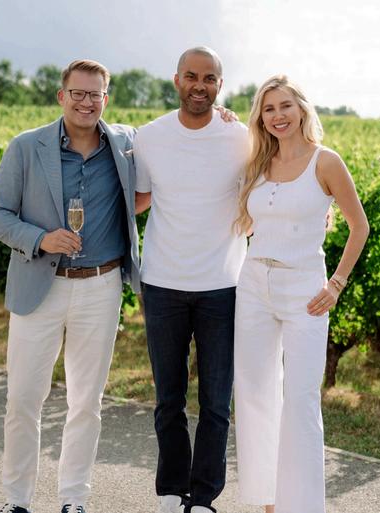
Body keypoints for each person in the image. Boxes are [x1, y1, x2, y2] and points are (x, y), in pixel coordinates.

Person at [0, 59, 141, 513]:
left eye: (95, 94)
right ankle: (17, 501)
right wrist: (40, 239)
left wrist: (222, 115)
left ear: (106, 98)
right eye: (78, 93)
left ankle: (74, 500)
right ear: (61, 96)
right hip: (41, 285)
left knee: (86, 402)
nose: (86, 102)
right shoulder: (26, 146)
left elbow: (180, 135)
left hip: (101, 287)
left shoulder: (126, 144)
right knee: (23, 399)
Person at [233, 75, 369, 513]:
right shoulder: (258, 162)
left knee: (301, 399)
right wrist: (224, 120)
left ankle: (303, 507)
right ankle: (267, 501)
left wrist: (336, 284)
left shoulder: (325, 162)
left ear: (302, 109)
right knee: (254, 392)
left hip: (305, 290)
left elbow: (360, 227)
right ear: (261, 117)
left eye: (285, 106)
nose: (278, 116)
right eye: (268, 109)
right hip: (254, 283)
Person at [133, 47, 249, 513]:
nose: (200, 85)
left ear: (220, 84)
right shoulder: (150, 137)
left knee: (217, 402)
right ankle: (170, 490)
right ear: (177, 79)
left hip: (224, 285)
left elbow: (275, 180)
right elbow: (139, 197)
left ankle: (203, 498)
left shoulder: (240, 137)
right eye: (192, 76)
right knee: (169, 399)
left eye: (210, 78)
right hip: (162, 284)